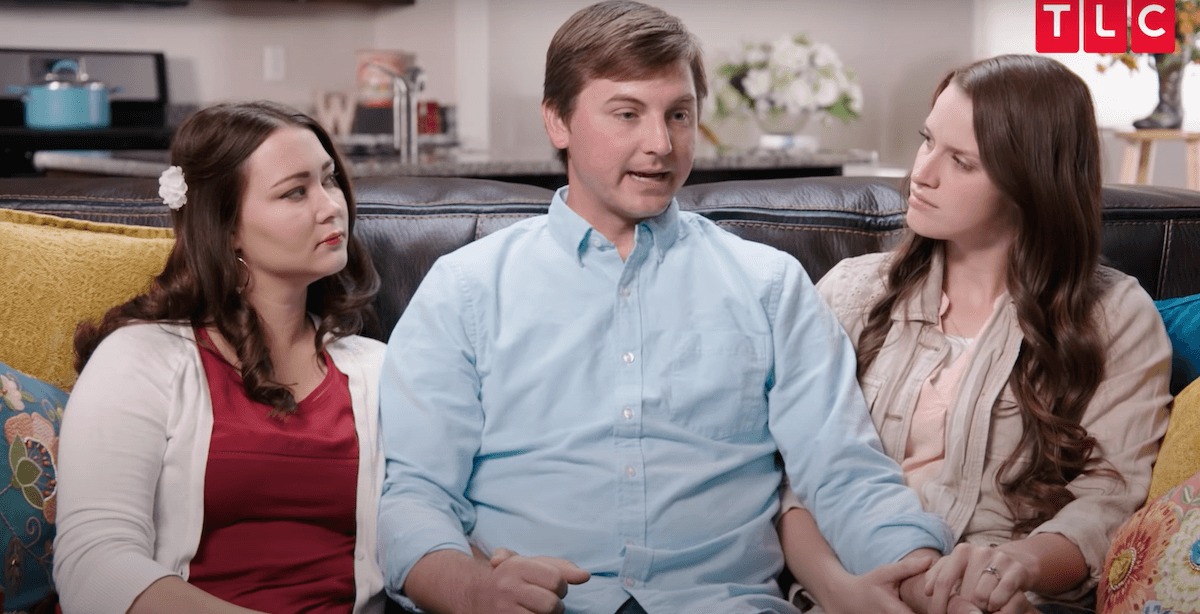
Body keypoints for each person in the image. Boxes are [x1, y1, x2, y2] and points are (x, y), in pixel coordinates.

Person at [376, 2, 954, 613]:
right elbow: (416, 498)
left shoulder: (770, 286)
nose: (660, 144)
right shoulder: (464, 289)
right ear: (557, 121)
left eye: (679, 114)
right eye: (627, 114)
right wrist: (472, 589)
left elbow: (844, 472)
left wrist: (923, 577)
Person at [777, 54, 1174, 614]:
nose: (923, 172)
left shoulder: (1114, 316)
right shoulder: (850, 292)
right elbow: (794, 477)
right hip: (847, 586)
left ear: (1031, 185)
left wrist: (1016, 567)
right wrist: (839, 591)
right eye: (927, 141)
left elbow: (1109, 501)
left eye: (962, 162)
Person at [52, 101, 387, 614]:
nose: (331, 206)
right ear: (226, 226)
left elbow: (430, 529)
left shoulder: (380, 370)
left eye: (330, 180)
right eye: (296, 191)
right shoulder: (139, 359)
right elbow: (94, 564)